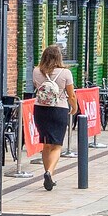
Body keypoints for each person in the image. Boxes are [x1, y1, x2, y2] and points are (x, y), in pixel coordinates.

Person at [31, 44, 76, 191]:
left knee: (46, 144)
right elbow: (71, 95)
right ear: (59, 57)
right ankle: (49, 173)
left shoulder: (36, 71)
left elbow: (37, 87)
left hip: (40, 109)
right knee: (57, 145)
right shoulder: (65, 73)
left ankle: (48, 175)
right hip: (59, 109)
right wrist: (74, 107)